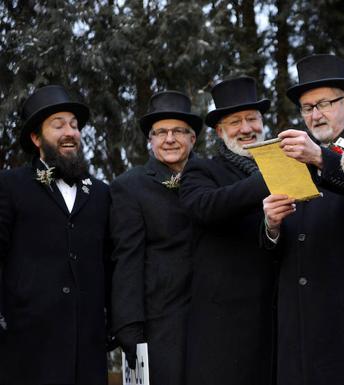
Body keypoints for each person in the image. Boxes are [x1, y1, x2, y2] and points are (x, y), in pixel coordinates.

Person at [262, 54, 344, 385]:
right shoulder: (293, 156)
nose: (315, 115)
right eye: (307, 108)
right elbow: (285, 241)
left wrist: (320, 158)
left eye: (324, 104)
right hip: (299, 328)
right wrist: (271, 226)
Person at [0, 85, 111, 384]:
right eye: (58, 125)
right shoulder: (11, 186)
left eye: (75, 126)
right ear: (36, 138)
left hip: (87, 351)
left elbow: (110, 262)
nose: (70, 132)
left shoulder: (101, 193)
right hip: (26, 348)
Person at [180, 76, 276, 385]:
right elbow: (206, 207)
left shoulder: (282, 163)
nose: (246, 128)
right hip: (223, 324)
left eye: (252, 119)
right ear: (220, 131)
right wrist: (271, 179)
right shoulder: (202, 170)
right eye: (235, 122)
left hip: (275, 317)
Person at [110, 91, 202, 385]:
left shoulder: (212, 178)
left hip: (210, 314)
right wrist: (128, 325)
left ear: (193, 139)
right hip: (160, 321)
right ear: (150, 141)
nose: (169, 139)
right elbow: (127, 258)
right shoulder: (131, 186)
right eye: (160, 133)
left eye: (178, 131)